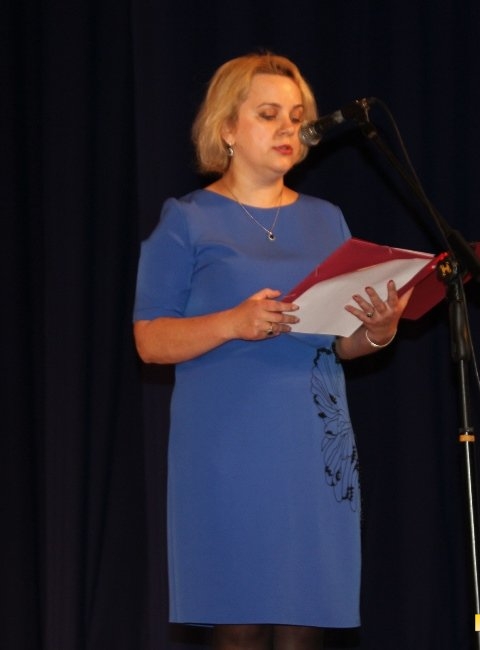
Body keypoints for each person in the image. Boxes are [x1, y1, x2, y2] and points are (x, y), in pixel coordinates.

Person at [132, 52, 411, 650]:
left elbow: (338, 343)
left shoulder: (327, 221)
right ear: (227, 128)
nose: (289, 128)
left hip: (311, 448)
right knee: (239, 625)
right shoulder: (187, 220)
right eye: (268, 114)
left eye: (297, 116)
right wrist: (233, 322)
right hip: (227, 447)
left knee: (304, 624)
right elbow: (149, 340)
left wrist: (379, 330)